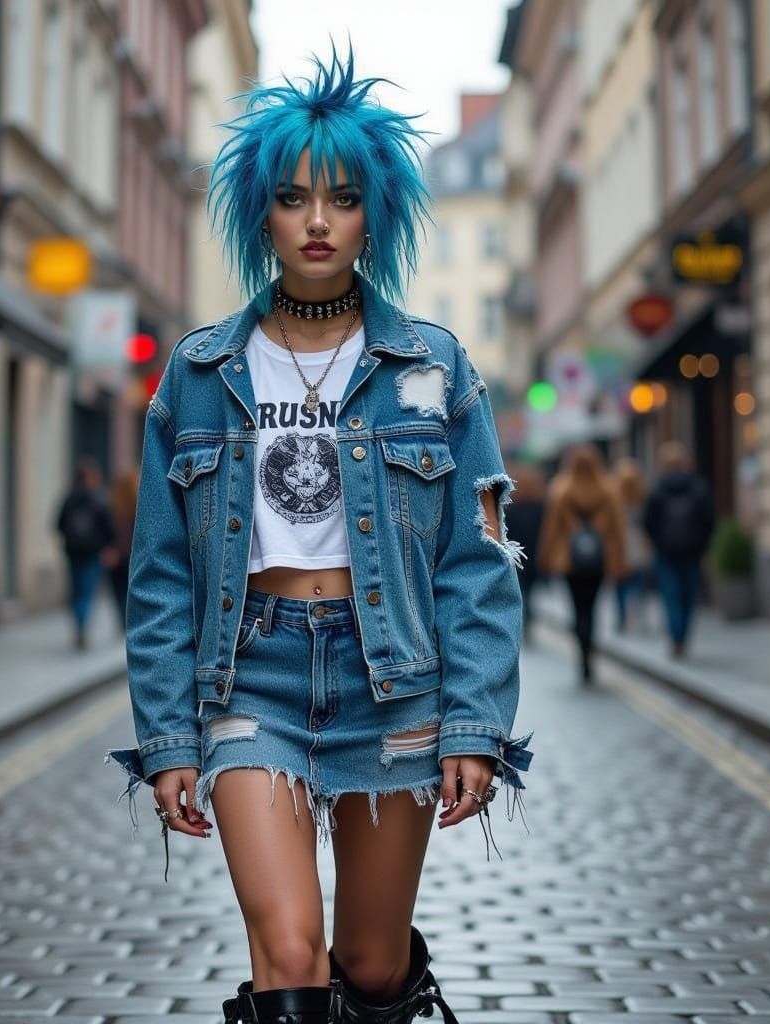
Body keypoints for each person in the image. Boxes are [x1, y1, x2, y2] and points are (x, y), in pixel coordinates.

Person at [105, 42, 533, 1024]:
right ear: (262, 209)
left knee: (373, 965)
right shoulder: (200, 372)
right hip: (248, 676)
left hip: (395, 681)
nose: (316, 220)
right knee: (289, 948)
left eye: (340, 199)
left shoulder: (435, 367)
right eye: (294, 197)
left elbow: (478, 558)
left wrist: (476, 722)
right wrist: (168, 736)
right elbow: (161, 575)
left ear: (371, 215)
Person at [538, 444, 625, 685]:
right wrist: (620, 562)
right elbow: (618, 530)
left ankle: (583, 656)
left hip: (570, 562)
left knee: (578, 609)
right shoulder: (608, 489)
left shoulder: (561, 489)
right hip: (599, 560)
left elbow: (551, 528)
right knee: (593, 608)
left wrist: (544, 557)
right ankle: (590, 651)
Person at [644, 441, 714, 659]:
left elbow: (648, 522)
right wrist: (702, 546)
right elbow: (709, 519)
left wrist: (658, 543)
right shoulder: (698, 486)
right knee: (688, 597)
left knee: (671, 597)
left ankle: (676, 640)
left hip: (666, 553)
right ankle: (683, 637)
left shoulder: (657, 488)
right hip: (692, 552)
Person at [55, 459, 115, 650]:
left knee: (77, 590)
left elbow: (58, 524)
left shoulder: (69, 498)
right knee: (87, 592)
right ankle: (82, 625)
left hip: (73, 553)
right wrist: (106, 545)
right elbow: (108, 526)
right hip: (92, 553)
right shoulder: (97, 498)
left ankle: (79, 625)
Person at [505, 462, 545, 642]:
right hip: (536, 557)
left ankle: (524, 622)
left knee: (522, 592)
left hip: (517, 557)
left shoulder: (512, 508)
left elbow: (507, 533)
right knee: (531, 593)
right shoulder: (541, 507)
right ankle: (528, 623)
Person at [611, 457, 651, 633]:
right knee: (638, 585)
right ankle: (639, 618)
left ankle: (622, 618)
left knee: (620, 585)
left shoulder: (614, 500)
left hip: (620, 548)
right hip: (638, 548)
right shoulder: (642, 499)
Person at [107, 467, 139, 632]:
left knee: (118, 592)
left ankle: (122, 622)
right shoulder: (138, 506)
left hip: (116, 556)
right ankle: (129, 622)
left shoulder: (113, 507)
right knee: (130, 590)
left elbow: (105, 531)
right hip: (133, 555)